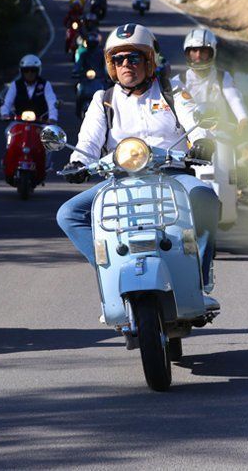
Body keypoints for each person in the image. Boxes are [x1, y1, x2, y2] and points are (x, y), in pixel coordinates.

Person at [56, 23, 220, 309]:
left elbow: (194, 121)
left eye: (133, 58)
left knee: (206, 198)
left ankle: (199, 276)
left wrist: (202, 141)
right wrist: (78, 162)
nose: (126, 65)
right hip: (119, 181)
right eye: (118, 59)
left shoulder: (172, 90)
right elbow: (88, 143)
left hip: (172, 176)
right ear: (111, 65)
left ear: (149, 61)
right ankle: (110, 268)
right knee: (69, 213)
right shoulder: (103, 100)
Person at [173, 28, 248, 133]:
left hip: (221, 136)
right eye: (194, 51)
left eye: (203, 51)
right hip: (191, 140)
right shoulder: (178, 81)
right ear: (188, 53)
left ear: (212, 52)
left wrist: (243, 118)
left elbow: (234, 98)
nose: (198, 56)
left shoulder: (222, 77)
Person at [0, 55, 58, 123]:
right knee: (8, 132)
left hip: (41, 123)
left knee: (51, 132)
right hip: (18, 122)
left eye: (33, 70)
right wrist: (4, 114)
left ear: (38, 71)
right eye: (26, 70)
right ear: (21, 71)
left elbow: (52, 102)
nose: (29, 73)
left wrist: (52, 117)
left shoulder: (45, 84)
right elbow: (7, 102)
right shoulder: (15, 85)